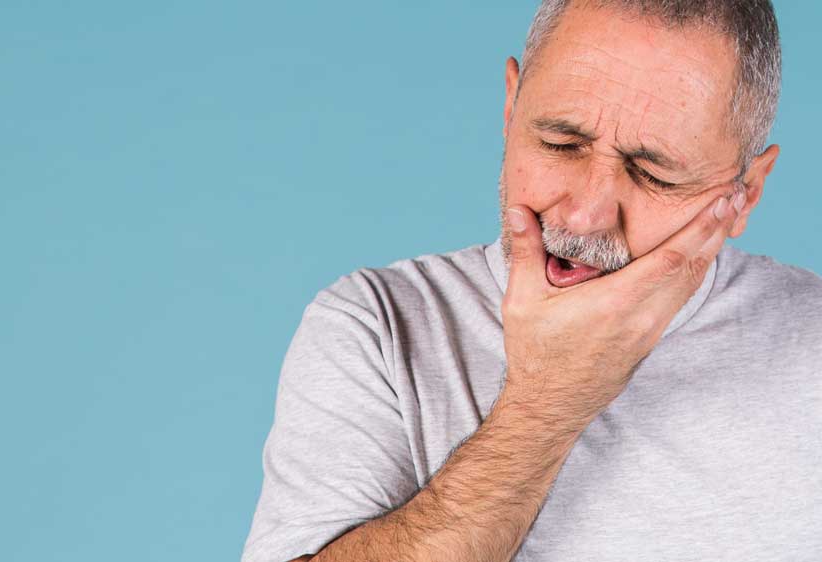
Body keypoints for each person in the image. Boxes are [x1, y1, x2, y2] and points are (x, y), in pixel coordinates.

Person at [242, 1, 822, 560]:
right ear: (510, 106)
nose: (584, 215)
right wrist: (546, 403)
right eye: (561, 144)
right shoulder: (377, 328)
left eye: (653, 176)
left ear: (746, 192)